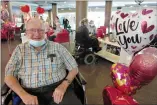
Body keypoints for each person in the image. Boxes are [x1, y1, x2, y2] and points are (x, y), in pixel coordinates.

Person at [4, 18, 82, 105]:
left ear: (45, 31)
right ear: (26, 32)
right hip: (29, 92)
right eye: (32, 30)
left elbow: (74, 68)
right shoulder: (19, 50)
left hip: (58, 88)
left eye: (40, 30)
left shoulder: (58, 47)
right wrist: (23, 95)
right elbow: (9, 75)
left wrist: (64, 85)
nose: (37, 34)